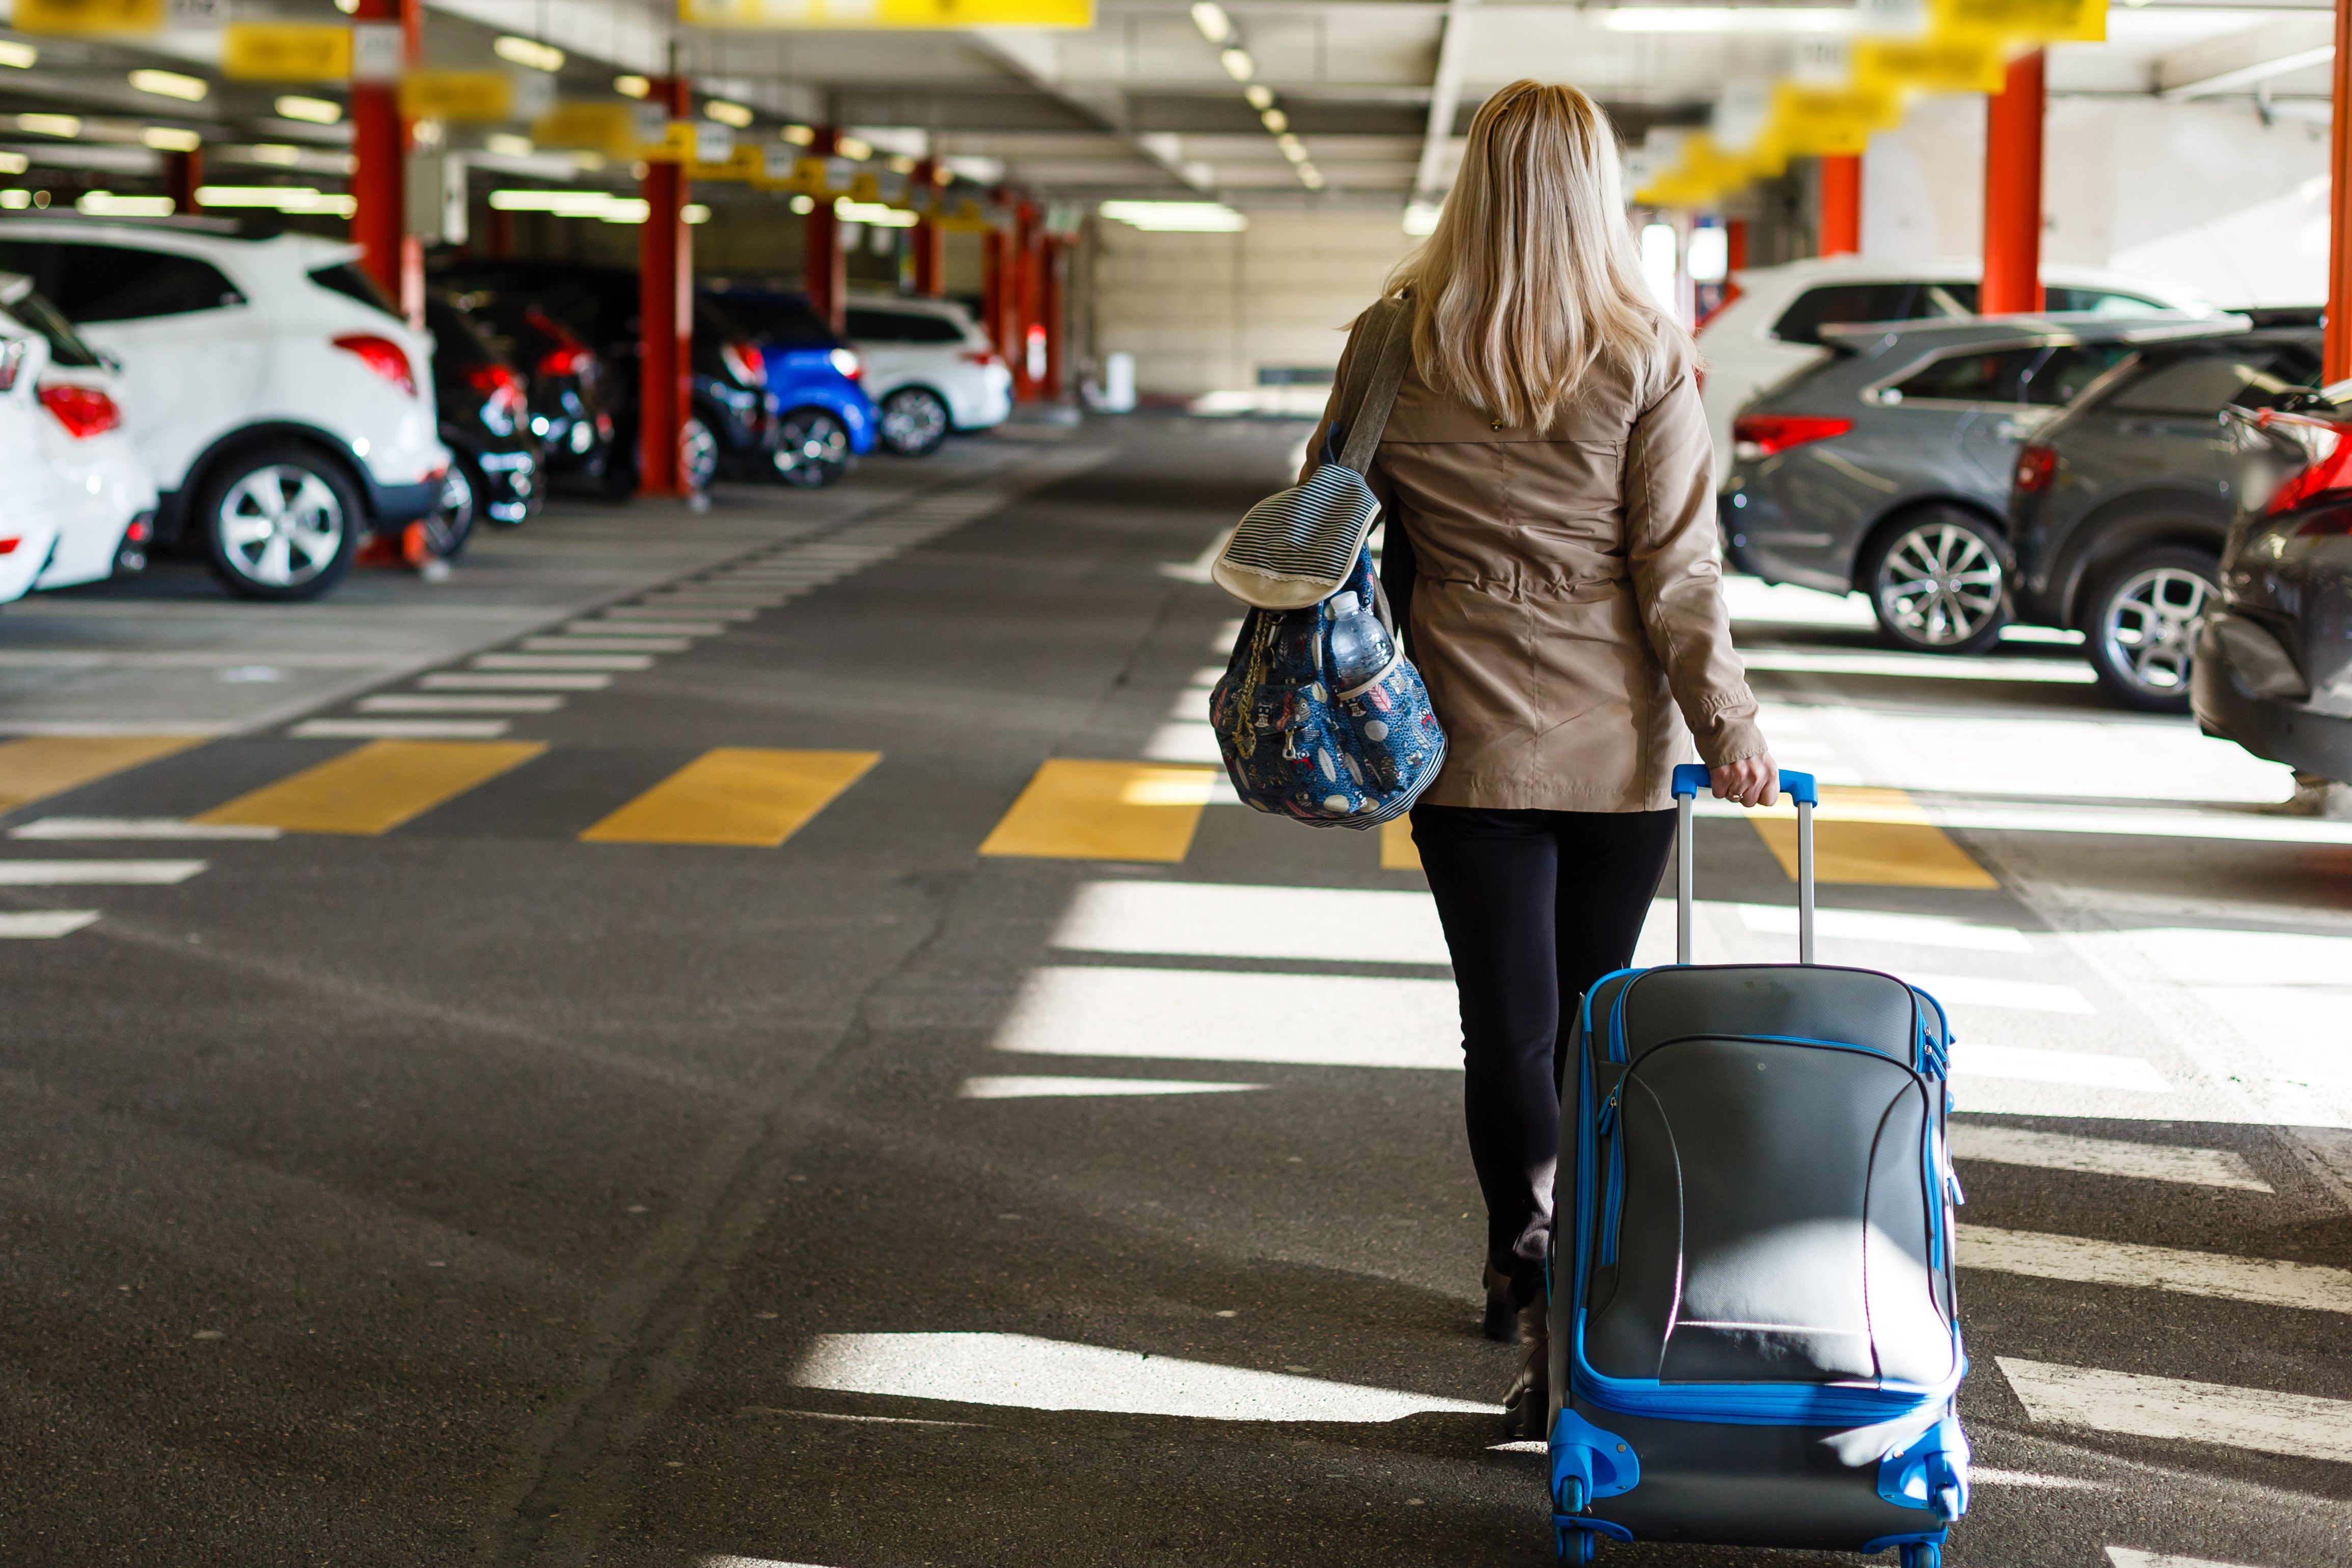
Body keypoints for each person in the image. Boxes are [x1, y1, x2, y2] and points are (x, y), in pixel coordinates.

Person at [1299, 79, 1779, 1436]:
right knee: (1592, 1023)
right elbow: (1679, 576)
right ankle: (1588, 1279)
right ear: (1594, 189)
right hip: (1614, 742)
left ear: (1474, 183)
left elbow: (1326, 521)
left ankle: (1523, 1249)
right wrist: (1730, 734)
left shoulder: (1394, 342)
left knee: (1499, 1024)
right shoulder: (1641, 353)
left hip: (1451, 732)